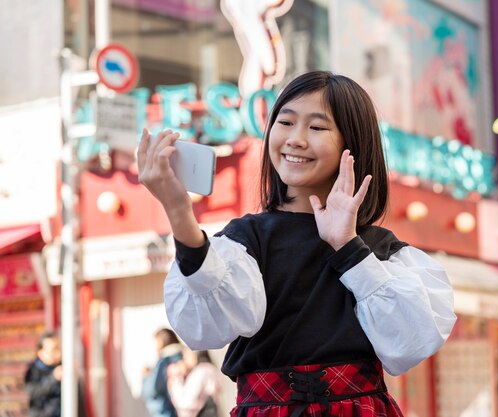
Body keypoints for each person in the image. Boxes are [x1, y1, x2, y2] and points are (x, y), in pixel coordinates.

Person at [138, 70, 456, 417]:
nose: (296, 139)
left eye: (317, 127)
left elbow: (410, 343)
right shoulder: (246, 240)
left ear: (353, 143)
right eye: (286, 122)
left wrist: (349, 247)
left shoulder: (381, 249)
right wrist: (178, 209)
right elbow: (209, 327)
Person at [141, 328, 184, 417]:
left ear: (162, 341)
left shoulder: (165, 360)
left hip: (164, 411)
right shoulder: (181, 356)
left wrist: (146, 377)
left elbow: (153, 388)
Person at [167, 348, 221, 417]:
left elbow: (186, 402)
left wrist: (176, 379)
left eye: (187, 354)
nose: (184, 358)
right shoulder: (207, 369)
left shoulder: (201, 371)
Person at [24, 331, 62, 417]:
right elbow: (33, 392)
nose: (58, 353)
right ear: (41, 353)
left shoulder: (62, 366)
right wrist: (53, 378)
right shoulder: (33, 371)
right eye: (53, 349)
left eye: (58, 348)